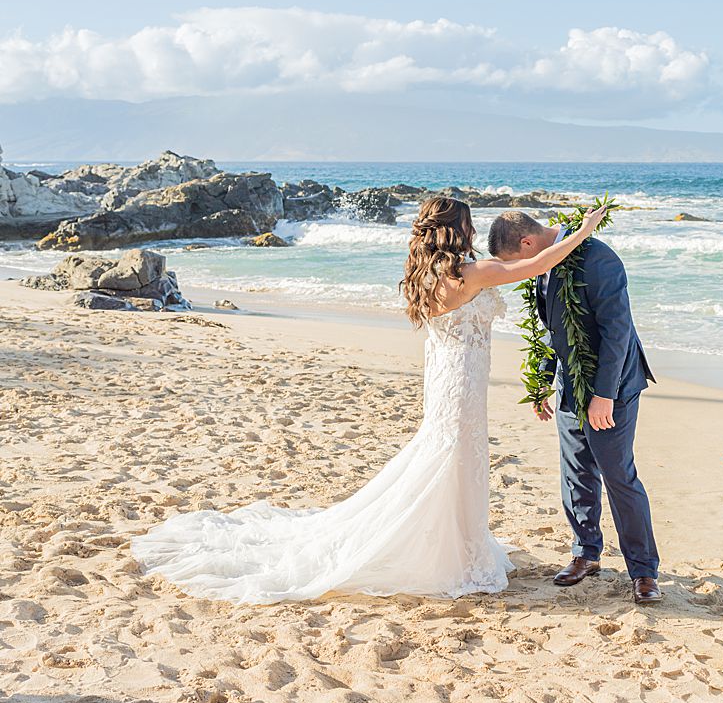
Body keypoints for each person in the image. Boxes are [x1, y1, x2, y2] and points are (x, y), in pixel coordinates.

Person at [131, 198, 607, 603]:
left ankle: (461, 543)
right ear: (454, 230)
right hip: (460, 384)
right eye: (467, 225)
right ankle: (455, 551)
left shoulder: (429, 274)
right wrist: (582, 229)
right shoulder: (470, 272)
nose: (473, 232)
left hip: (447, 379)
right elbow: (537, 264)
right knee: (456, 458)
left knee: (451, 457)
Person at [488, 211, 662, 605]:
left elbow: (618, 332)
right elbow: (552, 328)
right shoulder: (544, 264)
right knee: (576, 471)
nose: (521, 270)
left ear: (528, 245)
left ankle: (644, 571)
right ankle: (586, 553)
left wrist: (604, 394)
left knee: (619, 476)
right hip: (569, 383)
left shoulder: (599, 259)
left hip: (611, 385)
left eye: (516, 262)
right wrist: (543, 383)